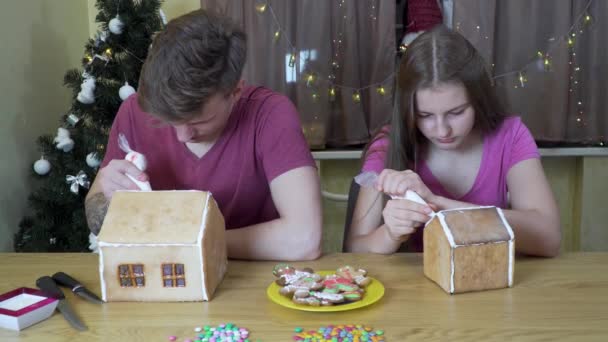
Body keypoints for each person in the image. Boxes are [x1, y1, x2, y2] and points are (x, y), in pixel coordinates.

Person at [85, 9, 322, 261]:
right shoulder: (135, 110)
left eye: (198, 121)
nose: (182, 136)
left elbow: (304, 239)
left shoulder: (271, 115)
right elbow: (97, 219)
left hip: (252, 285)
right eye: (168, 121)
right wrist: (104, 198)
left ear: (236, 90)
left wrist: (185, 240)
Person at [345, 26, 561, 257]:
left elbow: (548, 238)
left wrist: (437, 203)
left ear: (478, 99)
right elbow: (355, 248)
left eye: (456, 112)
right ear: (407, 111)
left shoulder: (510, 136)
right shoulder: (387, 144)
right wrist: (390, 234)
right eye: (424, 115)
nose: (442, 130)